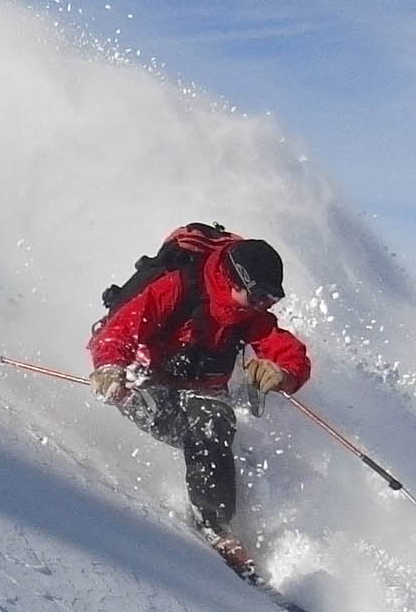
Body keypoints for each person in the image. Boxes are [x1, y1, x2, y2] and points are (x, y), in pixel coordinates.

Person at [88, 231, 311, 560]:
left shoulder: (249, 314)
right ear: (234, 280)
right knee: (181, 420)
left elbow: (288, 350)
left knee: (214, 421)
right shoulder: (180, 287)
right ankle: (212, 523)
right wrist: (109, 367)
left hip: (202, 392)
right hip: (146, 380)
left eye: (271, 301)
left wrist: (284, 372)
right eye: (260, 297)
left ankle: (214, 522)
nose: (264, 306)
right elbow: (120, 330)